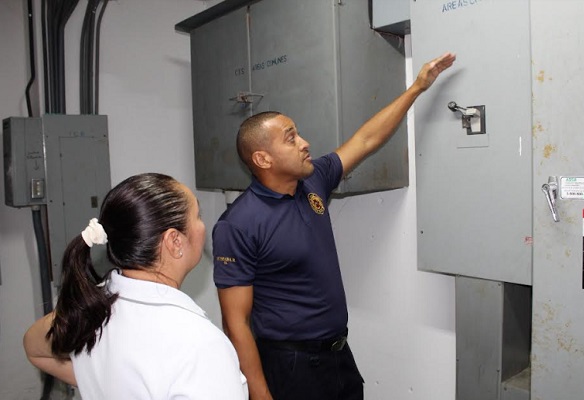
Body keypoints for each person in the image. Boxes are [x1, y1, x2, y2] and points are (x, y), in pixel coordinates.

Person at [212, 52, 456, 400]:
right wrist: (259, 393)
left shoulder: (313, 183)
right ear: (263, 159)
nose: (305, 143)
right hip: (290, 363)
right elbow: (236, 323)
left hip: (337, 353)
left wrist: (416, 88)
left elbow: (366, 139)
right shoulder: (238, 225)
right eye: (291, 138)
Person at [23, 173, 248, 399]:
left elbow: (34, 348)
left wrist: (98, 381)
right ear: (175, 241)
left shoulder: (94, 310)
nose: (203, 225)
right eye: (198, 216)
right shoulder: (200, 344)